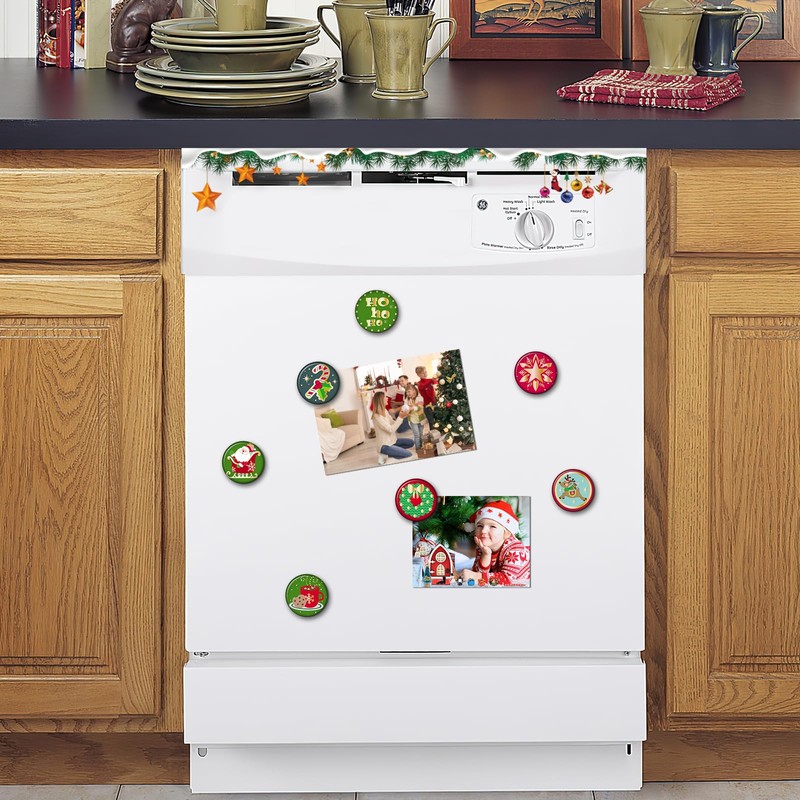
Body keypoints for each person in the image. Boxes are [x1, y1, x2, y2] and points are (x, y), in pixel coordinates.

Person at [460, 501, 530, 586]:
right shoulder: (482, 546)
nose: (483, 531)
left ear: (506, 533)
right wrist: (486, 555)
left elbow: (507, 580)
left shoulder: (516, 550)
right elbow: (477, 572)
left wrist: (476, 577)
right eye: (479, 526)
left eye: (492, 526)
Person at [371, 390, 414, 465]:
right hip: (384, 445)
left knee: (411, 443)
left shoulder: (384, 411)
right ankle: (385, 454)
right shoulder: (376, 416)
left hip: (392, 441)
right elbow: (391, 430)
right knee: (408, 454)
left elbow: (393, 423)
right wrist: (400, 417)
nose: (387, 398)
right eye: (385, 397)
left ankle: (393, 451)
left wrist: (403, 416)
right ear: (381, 400)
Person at [404, 383, 427, 450]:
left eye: (409, 391)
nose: (407, 393)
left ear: (414, 391)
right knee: (416, 435)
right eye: (406, 392)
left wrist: (411, 407)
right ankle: (418, 449)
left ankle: (422, 447)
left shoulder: (419, 398)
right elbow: (405, 408)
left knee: (421, 434)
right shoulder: (407, 400)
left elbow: (419, 407)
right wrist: (408, 409)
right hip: (412, 420)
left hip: (420, 419)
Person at [415, 366, 437, 430]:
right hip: (427, 405)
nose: (424, 374)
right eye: (422, 373)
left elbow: (436, 382)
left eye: (425, 372)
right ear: (418, 375)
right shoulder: (419, 383)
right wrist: (432, 381)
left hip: (434, 402)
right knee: (431, 421)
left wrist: (435, 379)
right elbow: (423, 386)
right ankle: (433, 432)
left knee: (438, 417)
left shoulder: (430, 380)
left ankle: (440, 431)